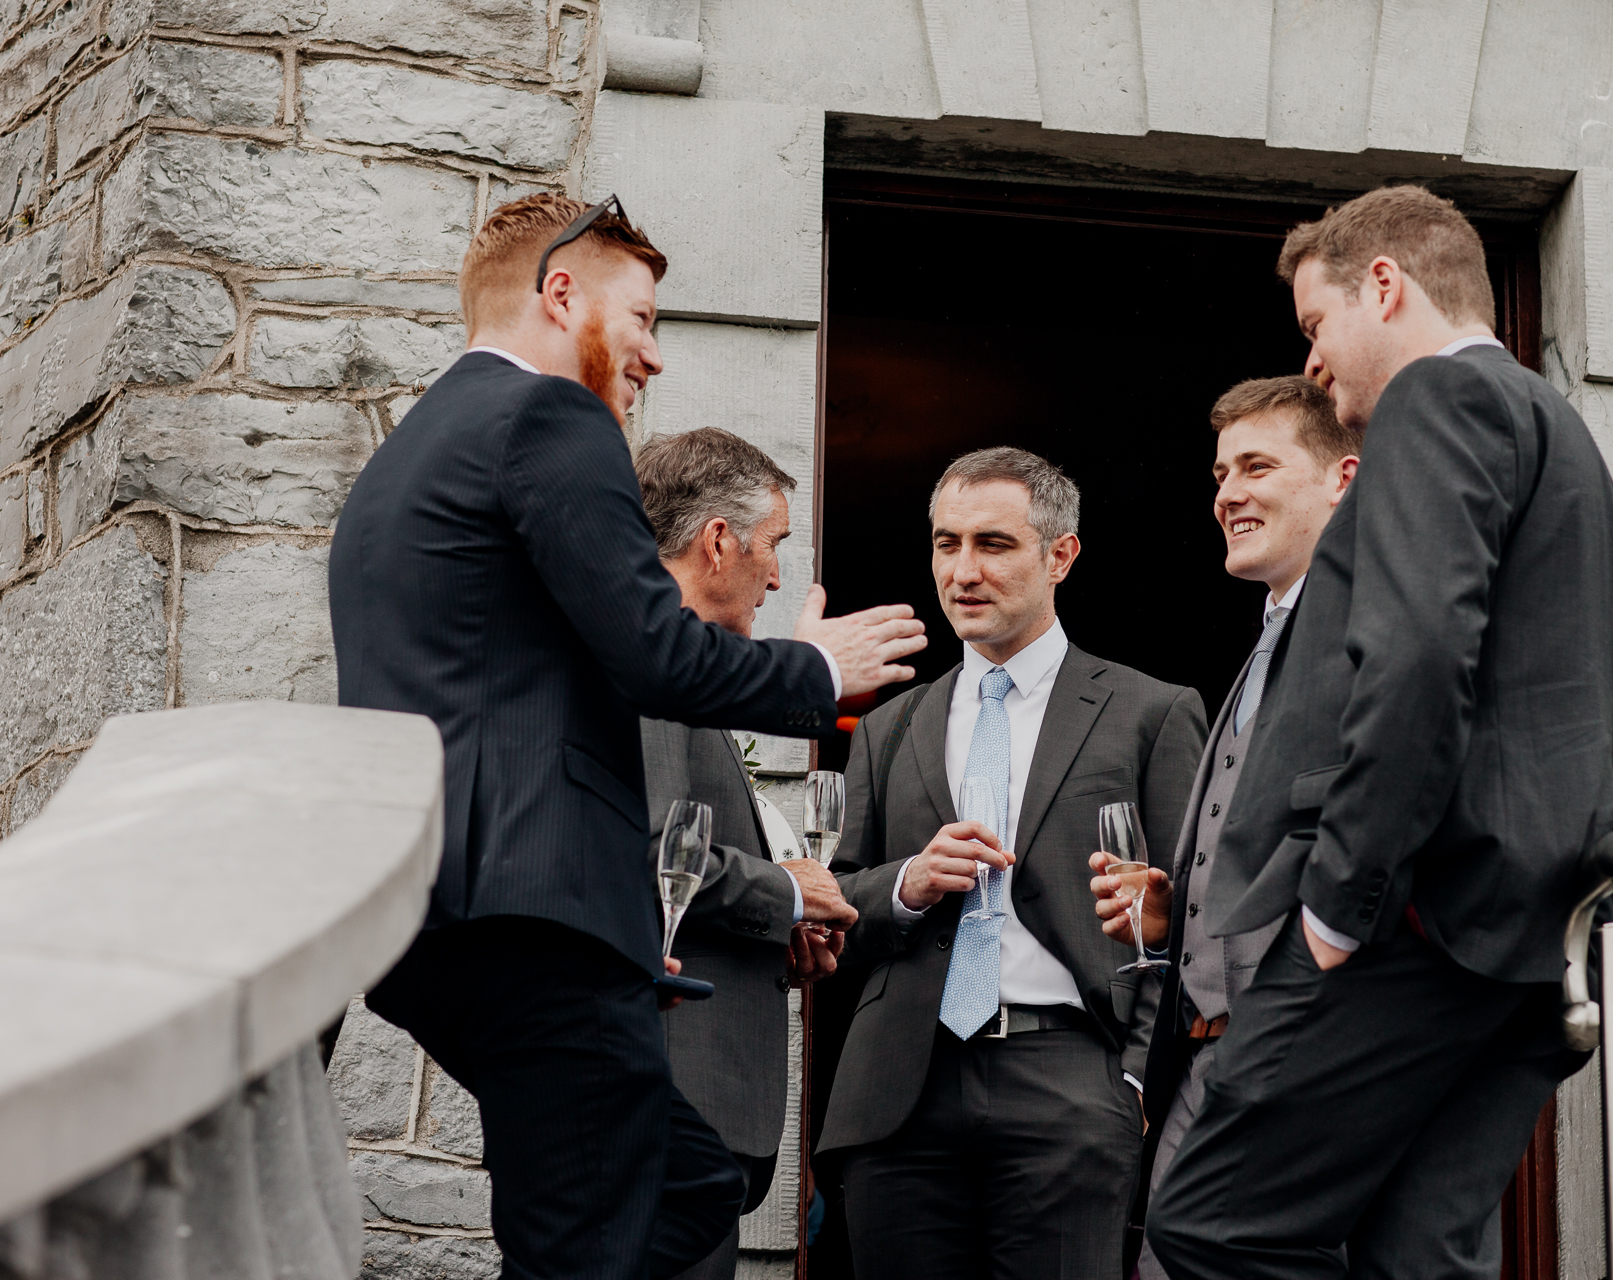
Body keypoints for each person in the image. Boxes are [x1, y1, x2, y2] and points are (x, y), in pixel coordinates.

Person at [329, 193, 926, 1280]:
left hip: (436, 919)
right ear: (562, 293)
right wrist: (817, 671)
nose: (651, 354)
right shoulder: (550, 418)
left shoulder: (402, 458)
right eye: (644, 317)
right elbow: (653, 651)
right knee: (595, 1238)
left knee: (684, 1180)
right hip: (533, 915)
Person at [1145, 186, 1613, 1280]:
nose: (1314, 365)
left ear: (1386, 285)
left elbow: (1419, 657)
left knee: (1209, 1220)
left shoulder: (1440, 399)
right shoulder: (1568, 439)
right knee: (1415, 1256)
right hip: (1521, 942)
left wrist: (1338, 903)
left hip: (1408, 922)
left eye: (1316, 328)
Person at [816, 446, 1207, 1280]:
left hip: (1071, 1079)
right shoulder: (888, 727)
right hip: (899, 1097)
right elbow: (833, 914)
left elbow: (1193, 914)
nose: (962, 570)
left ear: (1060, 556)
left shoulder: (1150, 712)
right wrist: (908, 885)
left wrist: (1133, 1080)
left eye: (992, 544)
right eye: (945, 543)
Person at [1087, 376, 1358, 1280]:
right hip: (1210, 1055)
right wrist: (1180, 918)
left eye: (1256, 466)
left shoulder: (1367, 628)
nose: (1227, 493)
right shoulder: (1267, 639)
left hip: (1302, 1050)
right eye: (1219, 473)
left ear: (1341, 479)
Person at [631, 426, 859, 1280]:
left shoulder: (675, 664)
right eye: (773, 548)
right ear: (717, 541)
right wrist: (790, 893)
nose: (775, 574)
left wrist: (777, 926)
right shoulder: (651, 661)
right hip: (668, 1100)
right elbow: (653, 849)